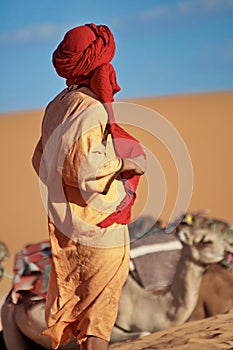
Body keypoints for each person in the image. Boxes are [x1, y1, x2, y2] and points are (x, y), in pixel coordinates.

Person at [32, 23, 146, 350]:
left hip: (69, 227)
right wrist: (127, 163)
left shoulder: (56, 106)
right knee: (98, 319)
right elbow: (84, 169)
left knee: (86, 317)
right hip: (101, 230)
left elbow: (40, 159)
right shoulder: (90, 108)